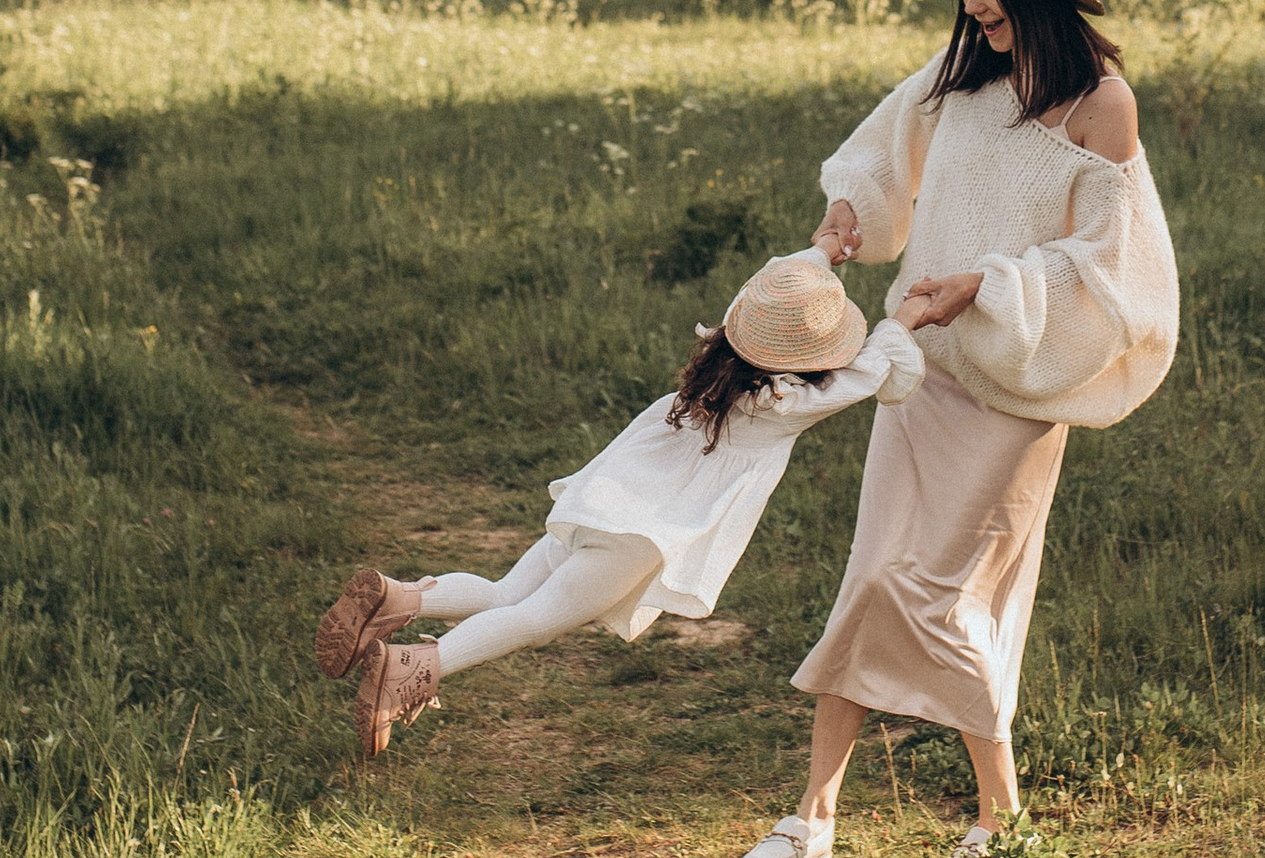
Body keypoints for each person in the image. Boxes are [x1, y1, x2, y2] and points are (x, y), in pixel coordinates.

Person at [730, 0, 1178, 858]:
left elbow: (1113, 265)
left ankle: (998, 819)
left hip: (1018, 385)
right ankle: (811, 821)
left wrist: (987, 284)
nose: (973, 3)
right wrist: (848, 216)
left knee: (940, 592)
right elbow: (881, 159)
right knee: (875, 574)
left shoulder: (1100, 106)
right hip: (924, 373)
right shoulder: (957, 79)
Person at [314, 250, 925, 758]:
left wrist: (818, 253)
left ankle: (403, 599)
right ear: (810, 354)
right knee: (536, 619)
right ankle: (416, 670)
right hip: (644, 532)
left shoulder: (719, 354)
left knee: (508, 593)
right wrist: (906, 320)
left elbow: (763, 286)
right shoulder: (789, 403)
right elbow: (882, 373)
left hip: (604, 498)